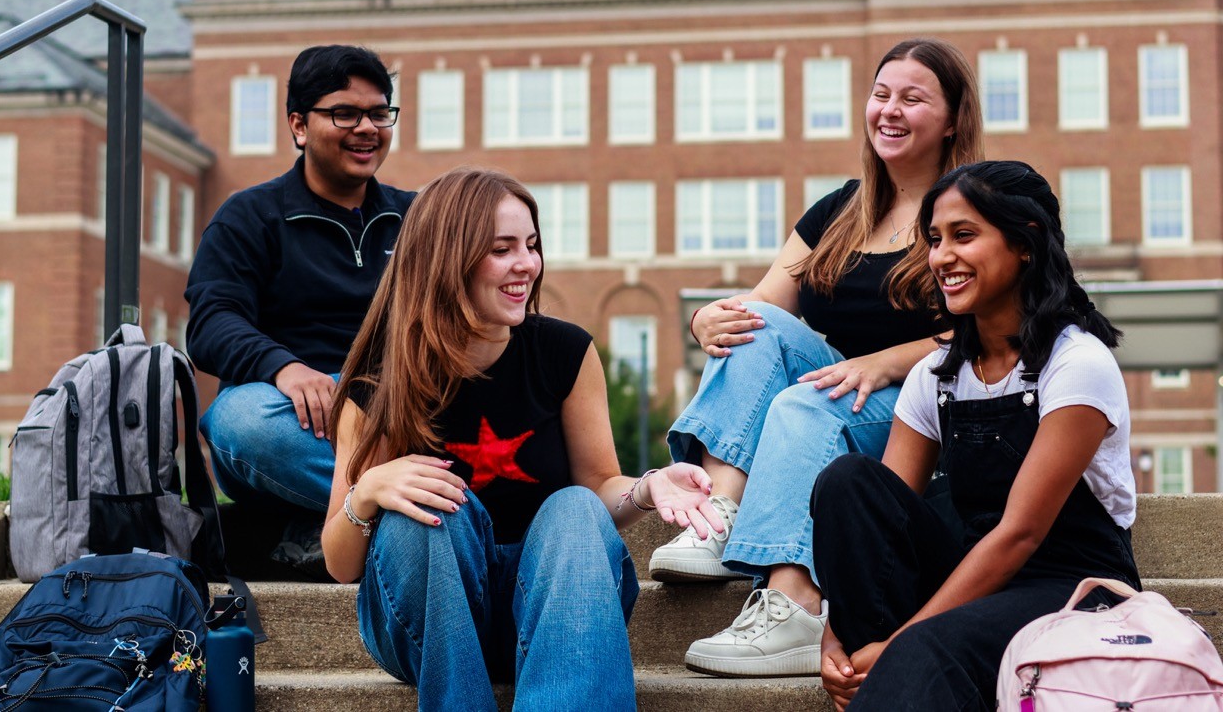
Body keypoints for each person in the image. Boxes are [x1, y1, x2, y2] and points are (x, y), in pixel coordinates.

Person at [321, 167, 723, 712]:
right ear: (448, 258)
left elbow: (600, 484)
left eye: (531, 245)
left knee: (577, 507)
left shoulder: (565, 353)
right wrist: (367, 491)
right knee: (427, 512)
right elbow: (341, 564)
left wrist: (649, 488)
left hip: (557, 611)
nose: (526, 265)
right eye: (502, 248)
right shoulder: (382, 377)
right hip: (428, 623)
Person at [650, 37, 985, 677]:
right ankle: (721, 513)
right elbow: (762, 310)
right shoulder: (840, 211)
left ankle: (796, 603)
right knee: (757, 325)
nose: (889, 110)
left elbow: (993, 331)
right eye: (881, 94)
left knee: (807, 401)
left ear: (951, 120)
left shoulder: (969, 209)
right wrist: (705, 318)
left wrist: (885, 361)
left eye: (912, 98)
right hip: (834, 398)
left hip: (925, 412)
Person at [811, 161, 1140, 711]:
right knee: (849, 482)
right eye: (935, 240)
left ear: (1026, 244)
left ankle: (893, 669)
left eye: (964, 236)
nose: (942, 257)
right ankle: (869, 667)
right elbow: (880, 519)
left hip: (1072, 587)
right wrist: (835, 635)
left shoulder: (1078, 363)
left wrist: (900, 643)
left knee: (926, 650)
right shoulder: (936, 374)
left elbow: (1020, 534)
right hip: (972, 573)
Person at [185, 45, 414, 527]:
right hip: (294, 420)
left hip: (393, 412)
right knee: (239, 422)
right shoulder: (249, 216)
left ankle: (364, 516)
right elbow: (211, 322)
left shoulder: (420, 218)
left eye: (378, 113)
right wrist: (284, 368)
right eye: (345, 114)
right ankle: (418, 503)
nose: (368, 128)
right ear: (299, 126)